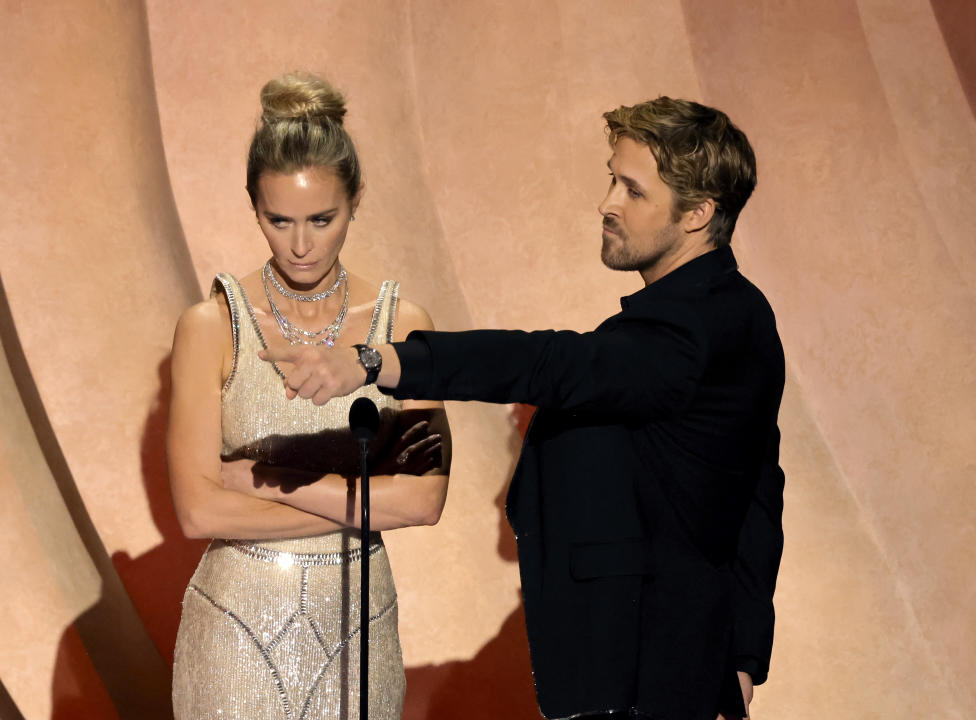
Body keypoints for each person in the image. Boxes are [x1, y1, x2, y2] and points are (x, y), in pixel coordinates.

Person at [262, 97, 784, 720]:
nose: (607, 202)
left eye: (633, 191)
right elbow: (758, 489)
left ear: (698, 213)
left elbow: (549, 365)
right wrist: (744, 651)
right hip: (672, 661)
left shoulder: (691, 331)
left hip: (640, 673)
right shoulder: (737, 311)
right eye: (611, 177)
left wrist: (378, 363)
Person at [166, 71, 451, 720]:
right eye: (279, 220)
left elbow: (426, 499)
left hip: (359, 620)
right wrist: (371, 501)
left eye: (323, 219)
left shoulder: (403, 326)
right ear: (253, 207)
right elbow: (198, 513)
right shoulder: (211, 325)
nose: (300, 245)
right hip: (234, 627)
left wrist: (267, 479)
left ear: (355, 202)